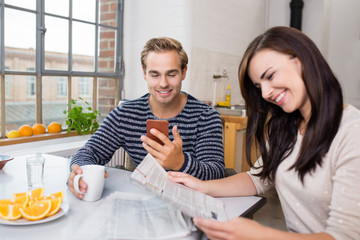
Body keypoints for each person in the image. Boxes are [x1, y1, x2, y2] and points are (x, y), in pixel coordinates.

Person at [168, 26, 360, 240]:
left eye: (270, 76)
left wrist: (259, 235)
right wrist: (202, 187)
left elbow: (345, 237)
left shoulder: (352, 133)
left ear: (303, 60)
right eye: (259, 86)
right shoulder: (288, 129)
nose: (266, 93)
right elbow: (257, 179)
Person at [68, 37, 225, 199]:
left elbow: (216, 173)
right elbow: (89, 152)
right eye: (155, 75)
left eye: (171, 74)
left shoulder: (206, 116)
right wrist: (80, 174)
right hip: (144, 203)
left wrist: (180, 163)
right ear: (144, 73)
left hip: (192, 206)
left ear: (184, 72)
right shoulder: (125, 115)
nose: (163, 84)